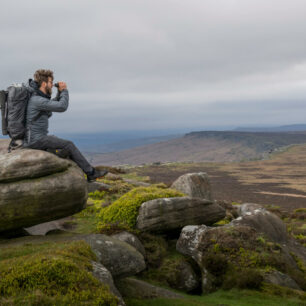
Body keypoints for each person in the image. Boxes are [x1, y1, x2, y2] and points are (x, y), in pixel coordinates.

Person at [24, 69, 107, 182]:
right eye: (50, 83)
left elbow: (51, 105)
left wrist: (59, 93)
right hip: (36, 140)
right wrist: (64, 91)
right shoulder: (37, 100)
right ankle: (91, 173)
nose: (52, 85)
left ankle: (79, 170)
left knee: (61, 145)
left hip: (37, 138)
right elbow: (61, 107)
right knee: (68, 145)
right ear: (44, 84)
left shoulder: (38, 99)